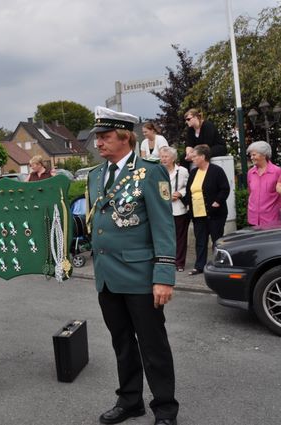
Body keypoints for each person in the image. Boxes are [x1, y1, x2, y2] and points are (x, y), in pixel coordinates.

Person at [86, 106, 178, 425]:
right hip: (107, 276)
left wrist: (163, 276)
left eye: (105, 136)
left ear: (125, 137)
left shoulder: (149, 172)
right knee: (122, 343)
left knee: (153, 346)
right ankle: (129, 400)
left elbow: (163, 227)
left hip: (141, 276)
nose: (98, 142)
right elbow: (98, 222)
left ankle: (165, 408)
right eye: (97, 137)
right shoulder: (95, 175)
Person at [183, 144, 230, 275]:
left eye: (194, 156)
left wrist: (217, 202)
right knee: (200, 241)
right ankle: (199, 266)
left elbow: (225, 188)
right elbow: (189, 191)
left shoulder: (216, 170)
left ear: (203, 157)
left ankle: (219, 264)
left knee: (217, 240)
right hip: (197, 213)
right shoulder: (193, 172)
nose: (192, 159)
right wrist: (187, 204)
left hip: (215, 213)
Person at [159, 147, 190, 272]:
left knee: (180, 237)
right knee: (166, 237)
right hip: (164, 209)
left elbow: (188, 187)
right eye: (162, 156)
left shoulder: (182, 171)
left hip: (179, 209)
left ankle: (179, 263)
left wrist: (180, 193)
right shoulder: (158, 171)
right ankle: (168, 261)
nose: (163, 159)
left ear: (173, 158)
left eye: (166, 157)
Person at [246, 141, 281, 225]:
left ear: (264, 155)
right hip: (253, 218)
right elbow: (250, 192)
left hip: (272, 218)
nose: (251, 157)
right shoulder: (250, 172)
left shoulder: (277, 171)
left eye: (254, 155)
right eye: (251, 155)